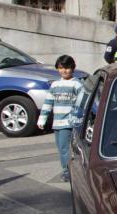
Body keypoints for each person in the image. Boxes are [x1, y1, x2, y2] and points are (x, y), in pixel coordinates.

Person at [36, 55, 84, 183]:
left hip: (68, 122)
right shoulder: (55, 85)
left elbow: (82, 104)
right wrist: (42, 119)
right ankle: (70, 169)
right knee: (61, 147)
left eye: (67, 68)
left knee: (64, 148)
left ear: (73, 68)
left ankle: (68, 172)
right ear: (57, 68)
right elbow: (48, 103)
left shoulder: (77, 84)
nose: (64, 71)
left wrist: (78, 119)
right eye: (61, 68)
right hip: (57, 122)